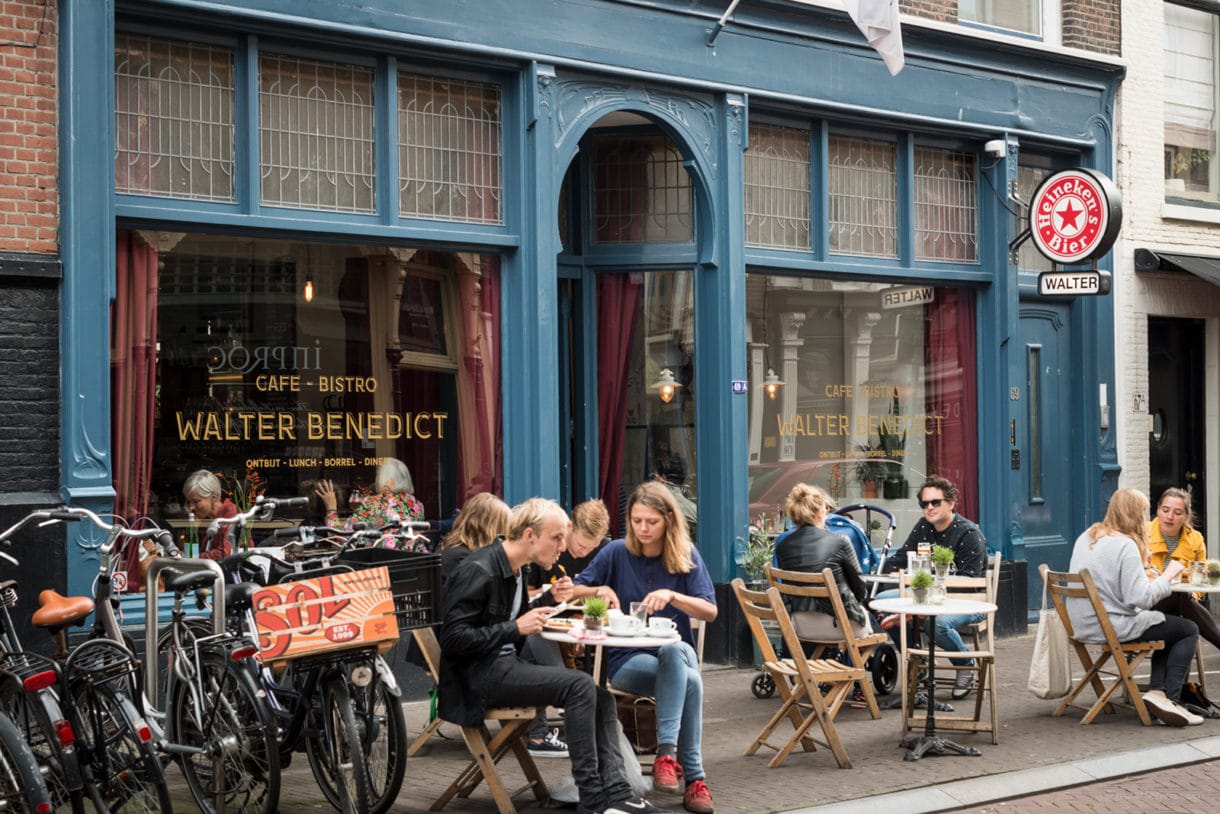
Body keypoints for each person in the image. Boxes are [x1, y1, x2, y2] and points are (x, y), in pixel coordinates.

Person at [439, 497, 668, 814]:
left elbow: (500, 621)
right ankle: (593, 799)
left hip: (500, 666)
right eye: (556, 537)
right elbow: (452, 639)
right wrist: (516, 628)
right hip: (478, 679)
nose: (563, 546)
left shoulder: (516, 569)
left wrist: (545, 601)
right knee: (579, 686)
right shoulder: (479, 569)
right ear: (530, 535)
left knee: (598, 695)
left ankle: (617, 794)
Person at [573, 481, 716, 814]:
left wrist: (674, 596)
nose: (643, 528)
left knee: (673, 651)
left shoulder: (685, 555)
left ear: (668, 518)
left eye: (651, 521)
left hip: (677, 657)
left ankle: (668, 756)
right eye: (637, 520)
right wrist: (600, 591)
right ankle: (691, 776)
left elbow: (711, 610)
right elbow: (574, 590)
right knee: (691, 680)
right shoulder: (616, 552)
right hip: (628, 662)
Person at [1068, 487, 1201, 727]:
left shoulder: (1089, 535)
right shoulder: (1126, 545)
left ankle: (1157, 693)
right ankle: (1170, 700)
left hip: (1083, 623)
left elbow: (1111, 583)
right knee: (1188, 629)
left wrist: (1142, 570)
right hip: (1111, 627)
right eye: (1143, 512)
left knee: (1167, 625)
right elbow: (1140, 599)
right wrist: (1168, 575)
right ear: (1134, 514)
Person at [876, 476, 987, 699]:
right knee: (881, 603)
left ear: (951, 503)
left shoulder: (968, 534)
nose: (929, 508)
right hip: (926, 596)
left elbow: (968, 583)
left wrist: (925, 603)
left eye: (935, 502)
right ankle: (920, 660)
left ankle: (965, 665)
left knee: (936, 625)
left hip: (968, 600)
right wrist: (887, 569)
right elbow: (900, 559)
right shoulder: (923, 527)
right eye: (924, 504)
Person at [774, 483, 870, 638]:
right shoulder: (840, 541)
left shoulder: (782, 546)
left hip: (799, 626)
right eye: (826, 507)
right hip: (840, 624)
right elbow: (860, 588)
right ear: (819, 513)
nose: (827, 511)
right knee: (871, 621)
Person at [1148, 488, 1220, 651]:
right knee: (1180, 599)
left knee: (1182, 599)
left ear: (1186, 516)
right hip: (1148, 602)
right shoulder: (1144, 534)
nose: (1170, 516)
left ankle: (1169, 677)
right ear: (1158, 510)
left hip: (1182, 603)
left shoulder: (1195, 538)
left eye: (1177, 512)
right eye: (1165, 510)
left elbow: (1202, 577)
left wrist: (1194, 594)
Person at [315, 458, 427, 550]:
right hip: (416, 564)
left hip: (390, 566)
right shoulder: (417, 505)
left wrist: (331, 509)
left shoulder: (373, 503)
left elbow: (343, 536)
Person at [439, 492, 512, 586]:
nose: (506, 535)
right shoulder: (467, 561)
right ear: (491, 529)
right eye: (504, 528)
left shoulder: (451, 550)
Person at [181, 469, 238, 561]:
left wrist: (194, 557)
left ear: (213, 498)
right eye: (188, 502)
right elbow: (185, 551)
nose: (191, 507)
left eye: (196, 501)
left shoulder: (231, 513)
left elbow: (225, 553)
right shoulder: (203, 518)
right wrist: (193, 527)